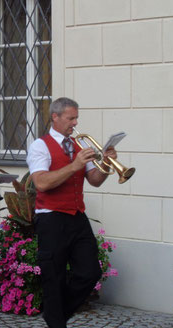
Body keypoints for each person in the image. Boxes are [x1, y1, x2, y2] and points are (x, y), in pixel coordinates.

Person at [26, 97, 117, 328]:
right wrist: (74, 166)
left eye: (76, 118)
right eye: (70, 118)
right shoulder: (40, 146)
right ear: (54, 117)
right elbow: (42, 183)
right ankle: (57, 321)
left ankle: (55, 314)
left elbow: (94, 180)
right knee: (53, 277)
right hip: (51, 217)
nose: (75, 123)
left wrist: (106, 165)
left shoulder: (79, 145)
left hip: (77, 215)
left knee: (90, 272)